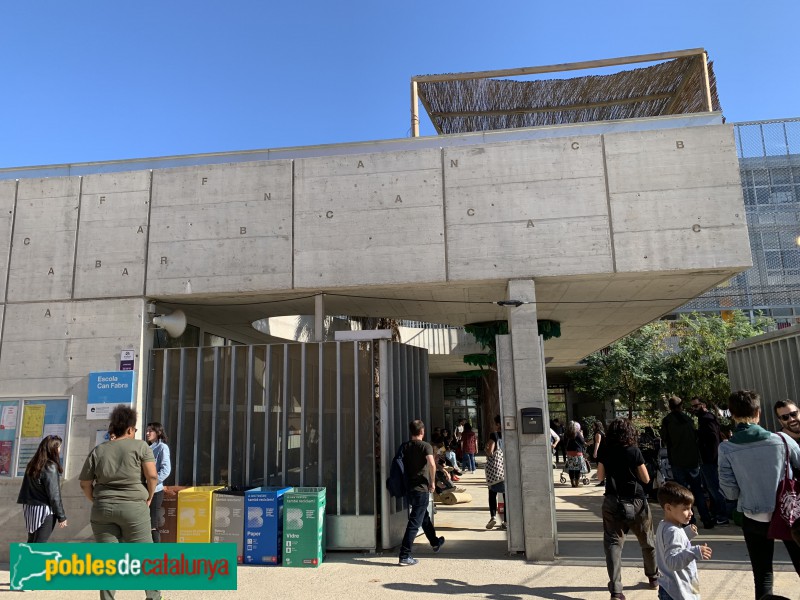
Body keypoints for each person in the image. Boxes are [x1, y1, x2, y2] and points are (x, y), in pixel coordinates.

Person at [718, 390, 800, 600]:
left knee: (762, 575)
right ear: (758, 412)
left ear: (732, 415)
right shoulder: (782, 440)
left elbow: (730, 492)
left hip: (754, 518)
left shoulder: (726, 448)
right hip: (790, 515)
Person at [79, 405, 161, 600]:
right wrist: (149, 497)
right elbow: (152, 476)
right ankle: (153, 597)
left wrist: (96, 500)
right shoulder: (141, 447)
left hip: (103, 509)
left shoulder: (98, 450)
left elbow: (84, 483)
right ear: (130, 429)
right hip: (134, 508)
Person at [596, 418, 660, 600]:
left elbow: (600, 476)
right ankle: (653, 577)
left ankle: (616, 590)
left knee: (613, 544)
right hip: (636, 501)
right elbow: (646, 479)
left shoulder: (605, 450)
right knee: (647, 540)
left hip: (612, 500)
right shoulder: (634, 451)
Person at [661, 396, 714, 529]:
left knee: (682, 493)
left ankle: (689, 521)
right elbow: (695, 437)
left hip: (677, 460)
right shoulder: (688, 420)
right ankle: (706, 519)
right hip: (692, 459)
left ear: (670, 406)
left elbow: (665, 439)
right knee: (698, 491)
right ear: (681, 406)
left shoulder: (667, 421)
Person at [398, 419, 444, 566]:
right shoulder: (425, 446)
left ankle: (435, 542)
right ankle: (404, 555)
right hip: (421, 489)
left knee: (423, 516)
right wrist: (432, 482)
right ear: (422, 431)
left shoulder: (405, 446)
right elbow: (431, 464)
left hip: (409, 488)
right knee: (414, 522)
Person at [655, 481, 713, 600]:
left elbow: (671, 543)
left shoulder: (664, 525)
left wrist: (687, 533)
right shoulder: (673, 531)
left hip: (669, 586)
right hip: (678, 590)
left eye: (691, 508)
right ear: (668, 508)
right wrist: (695, 551)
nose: (691, 513)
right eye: (685, 509)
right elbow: (672, 562)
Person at [16, 435, 68, 542]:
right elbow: (54, 495)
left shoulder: (32, 464)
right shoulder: (50, 466)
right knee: (39, 545)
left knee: (32, 543)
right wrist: (61, 516)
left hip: (30, 509)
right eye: (59, 447)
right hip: (45, 511)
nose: (59, 450)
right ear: (53, 449)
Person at [689, 397, 729, 525]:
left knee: (714, 488)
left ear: (703, 405)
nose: (694, 409)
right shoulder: (705, 418)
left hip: (710, 459)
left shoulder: (707, 418)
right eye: (692, 407)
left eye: (696, 406)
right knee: (711, 488)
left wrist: (699, 436)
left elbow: (713, 438)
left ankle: (722, 515)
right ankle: (717, 512)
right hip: (709, 458)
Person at [145, 422, 172, 543]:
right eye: (147, 431)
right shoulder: (147, 448)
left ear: (158, 432)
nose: (147, 433)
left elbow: (166, 470)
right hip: (144, 490)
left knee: (153, 524)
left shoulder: (162, 447)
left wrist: (153, 482)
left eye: (150, 431)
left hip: (155, 491)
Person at [485, 429, 506, 530]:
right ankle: (506, 521)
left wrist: (487, 450)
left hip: (496, 472)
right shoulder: (510, 434)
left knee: (492, 494)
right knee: (506, 497)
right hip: (506, 470)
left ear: (497, 425)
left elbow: (490, 451)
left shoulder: (494, 435)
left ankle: (493, 516)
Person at [565, 421, 588, 487]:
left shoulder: (566, 434)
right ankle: (577, 482)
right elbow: (582, 442)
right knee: (578, 468)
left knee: (571, 468)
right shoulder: (577, 433)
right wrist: (582, 435)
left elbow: (564, 443)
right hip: (577, 452)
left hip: (569, 453)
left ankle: (572, 482)